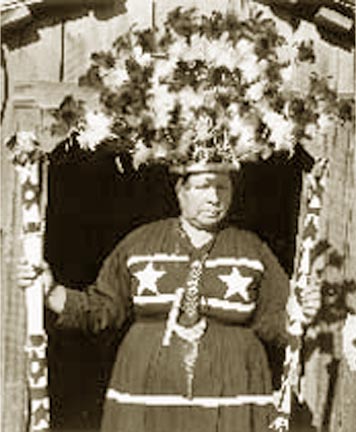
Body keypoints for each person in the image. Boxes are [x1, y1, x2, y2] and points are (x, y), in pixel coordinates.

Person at [19, 160, 320, 432]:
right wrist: (52, 292)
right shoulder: (141, 243)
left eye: (222, 187)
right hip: (149, 389)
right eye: (203, 187)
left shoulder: (252, 249)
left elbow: (274, 322)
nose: (215, 198)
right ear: (181, 191)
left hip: (233, 389)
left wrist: (299, 315)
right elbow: (104, 308)